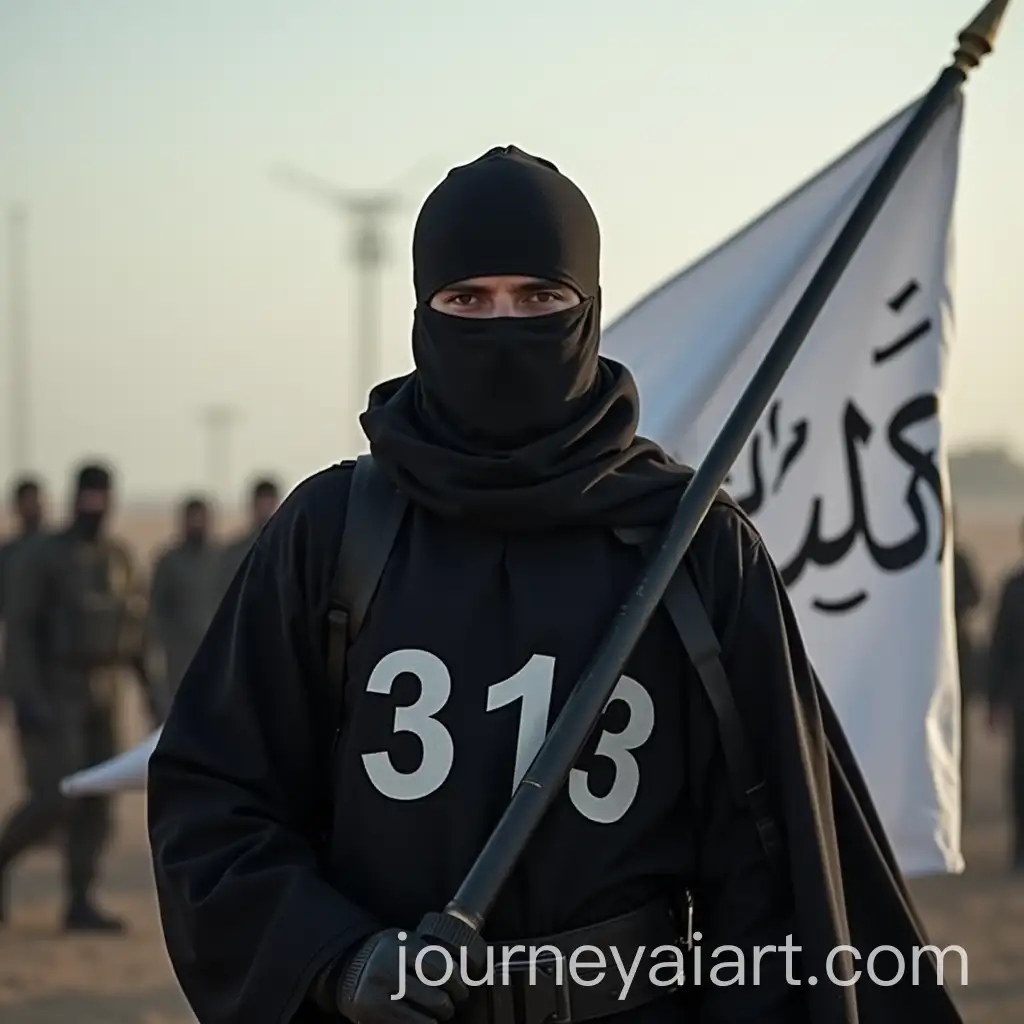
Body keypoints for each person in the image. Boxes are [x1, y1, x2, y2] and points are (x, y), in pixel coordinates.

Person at [147, 147, 963, 1024]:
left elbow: (768, 866)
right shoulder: (330, 532)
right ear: (422, 314)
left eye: (539, 298)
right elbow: (215, 801)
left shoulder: (693, 545)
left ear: (590, 308)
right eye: (467, 300)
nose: (503, 327)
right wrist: (336, 959)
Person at [0, 461, 150, 930]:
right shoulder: (44, 556)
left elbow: (136, 632)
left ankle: (80, 898)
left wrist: (154, 692)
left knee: (99, 800)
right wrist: (28, 696)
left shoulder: (119, 557)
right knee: (55, 796)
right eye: (88, 496)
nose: (95, 506)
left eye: (102, 497)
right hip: (55, 688)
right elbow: (21, 631)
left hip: (104, 691)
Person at [147, 496, 222, 710]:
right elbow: (156, 611)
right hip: (179, 660)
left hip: (217, 659)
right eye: (193, 518)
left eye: (201, 518)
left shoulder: (220, 560)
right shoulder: (169, 562)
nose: (197, 523)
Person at [985, 517, 1024, 872]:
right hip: (1020, 696)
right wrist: (994, 701)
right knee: (1020, 772)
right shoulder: (1013, 588)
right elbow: (1000, 645)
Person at [1, 476, 46, 708]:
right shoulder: (9, 555)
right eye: (27, 502)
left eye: (36, 501)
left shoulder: (60, 550)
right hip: (22, 670)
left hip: (59, 670)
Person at [216, 477, 281, 595]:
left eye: (269, 505)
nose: (265, 511)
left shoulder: (285, 549)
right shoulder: (235, 552)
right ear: (253, 505)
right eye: (262, 505)